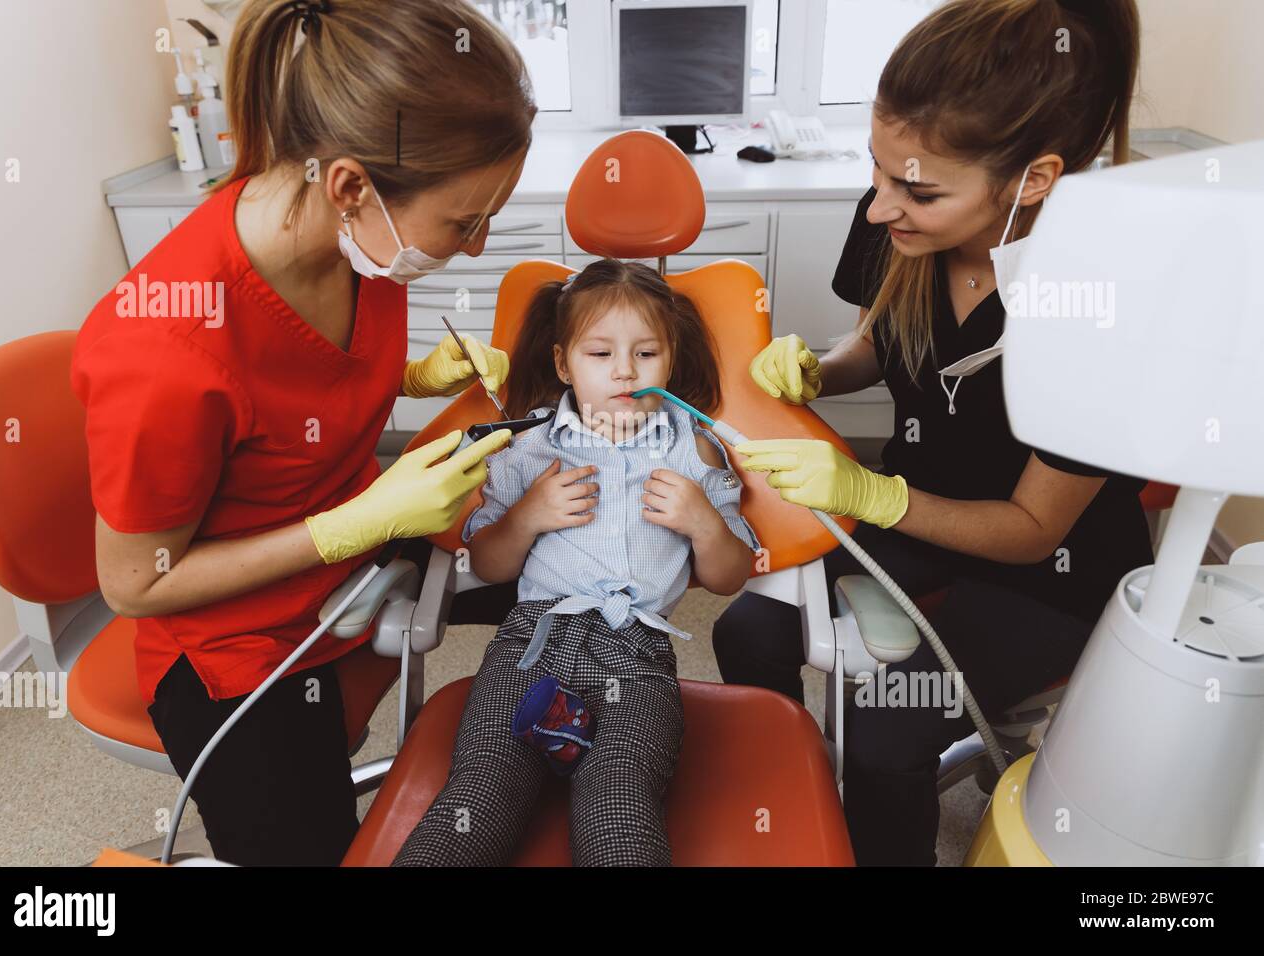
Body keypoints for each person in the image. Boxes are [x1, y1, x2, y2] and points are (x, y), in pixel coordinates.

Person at [70, 0, 536, 865]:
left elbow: (295, 400)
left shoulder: (358, 245)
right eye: (463, 222)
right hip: (231, 646)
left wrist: (413, 376)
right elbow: (133, 582)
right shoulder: (163, 346)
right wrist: (352, 526)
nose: (475, 248)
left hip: (356, 545)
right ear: (351, 186)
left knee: (576, 563)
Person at [713, 0, 1153, 866]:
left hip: (1049, 571)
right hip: (915, 505)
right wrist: (820, 371)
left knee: (883, 729)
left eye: (916, 191)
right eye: (876, 172)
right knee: (746, 632)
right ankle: (792, 803)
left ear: (1033, 179)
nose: (881, 208)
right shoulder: (902, 215)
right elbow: (880, 343)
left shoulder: (1096, 309)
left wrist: (872, 495)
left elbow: (1032, 531)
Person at [394, 259, 760, 866]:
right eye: (600, 353)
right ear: (564, 364)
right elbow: (488, 565)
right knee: (477, 798)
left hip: (637, 661)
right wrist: (527, 517)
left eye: (646, 353)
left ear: (671, 359)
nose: (624, 371)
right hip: (529, 648)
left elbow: (730, 577)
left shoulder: (696, 450)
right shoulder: (530, 447)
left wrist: (704, 523)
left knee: (619, 809)